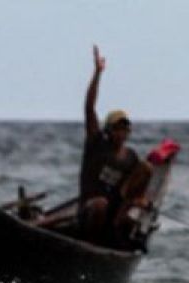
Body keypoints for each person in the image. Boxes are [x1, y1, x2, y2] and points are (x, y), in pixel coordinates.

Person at [79, 45, 152, 245]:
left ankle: (114, 235)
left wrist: (140, 200)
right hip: (89, 210)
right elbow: (89, 108)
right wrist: (97, 74)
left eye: (124, 129)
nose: (121, 132)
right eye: (117, 128)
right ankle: (90, 246)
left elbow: (134, 187)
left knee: (146, 169)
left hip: (115, 213)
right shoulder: (97, 144)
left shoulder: (130, 157)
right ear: (109, 130)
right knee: (100, 205)